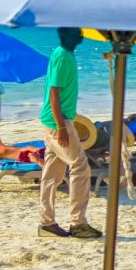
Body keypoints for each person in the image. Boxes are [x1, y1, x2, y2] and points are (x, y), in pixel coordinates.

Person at [38, 27, 97, 239]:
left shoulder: (66, 54)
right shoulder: (62, 55)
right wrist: (62, 126)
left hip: (57, 120)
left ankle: (46, 222)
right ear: (68, 35)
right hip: (57, 122)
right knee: (80, 165)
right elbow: (54, 93)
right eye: (78, 32)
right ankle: (78, 222)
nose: (81, 35)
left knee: (52, 174)